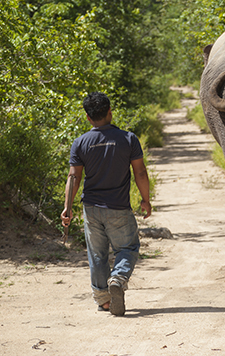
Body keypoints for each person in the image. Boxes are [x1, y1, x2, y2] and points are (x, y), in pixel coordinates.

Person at [61, 91, 151, 316]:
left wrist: (67, 207)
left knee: (97, 254)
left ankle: (104, 300)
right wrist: (145, 200)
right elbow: (140, 172)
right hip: (119, 208)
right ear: (110, 112)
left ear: (88, 117)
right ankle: (118, 278)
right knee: (128, 247)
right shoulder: (128, 139)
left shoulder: (80, 142)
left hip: (91, 208)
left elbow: (73, 178)